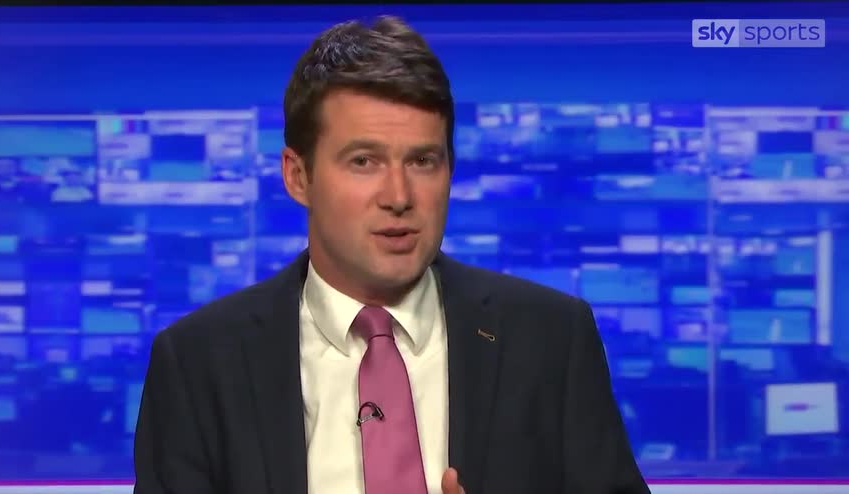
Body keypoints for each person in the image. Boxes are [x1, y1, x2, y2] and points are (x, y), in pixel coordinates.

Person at [133, 15, 651, 494]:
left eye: (423, 161)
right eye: (364, 161)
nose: (399, 196)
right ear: (298, 176)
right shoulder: (197, 364)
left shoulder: (552, 340)